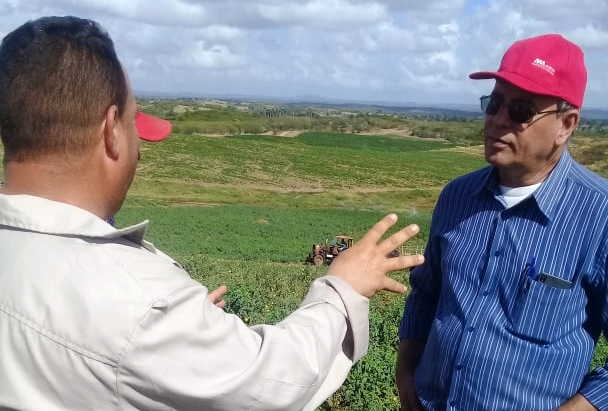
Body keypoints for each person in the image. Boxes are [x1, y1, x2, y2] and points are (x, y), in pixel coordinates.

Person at [0, 16, 424, 410]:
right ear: (110, 130)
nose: (140, 151)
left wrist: (183, 330)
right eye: (133, 124)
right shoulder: (137, 303)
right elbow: (274, 384)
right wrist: (342, 287)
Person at [396, 34, 608, 411]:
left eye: (521, 111)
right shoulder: (456, 197)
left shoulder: (599, 216)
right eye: (494, 104)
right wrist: (406, 369)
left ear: (566, 124)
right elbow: (426, 291)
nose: (497, 120)